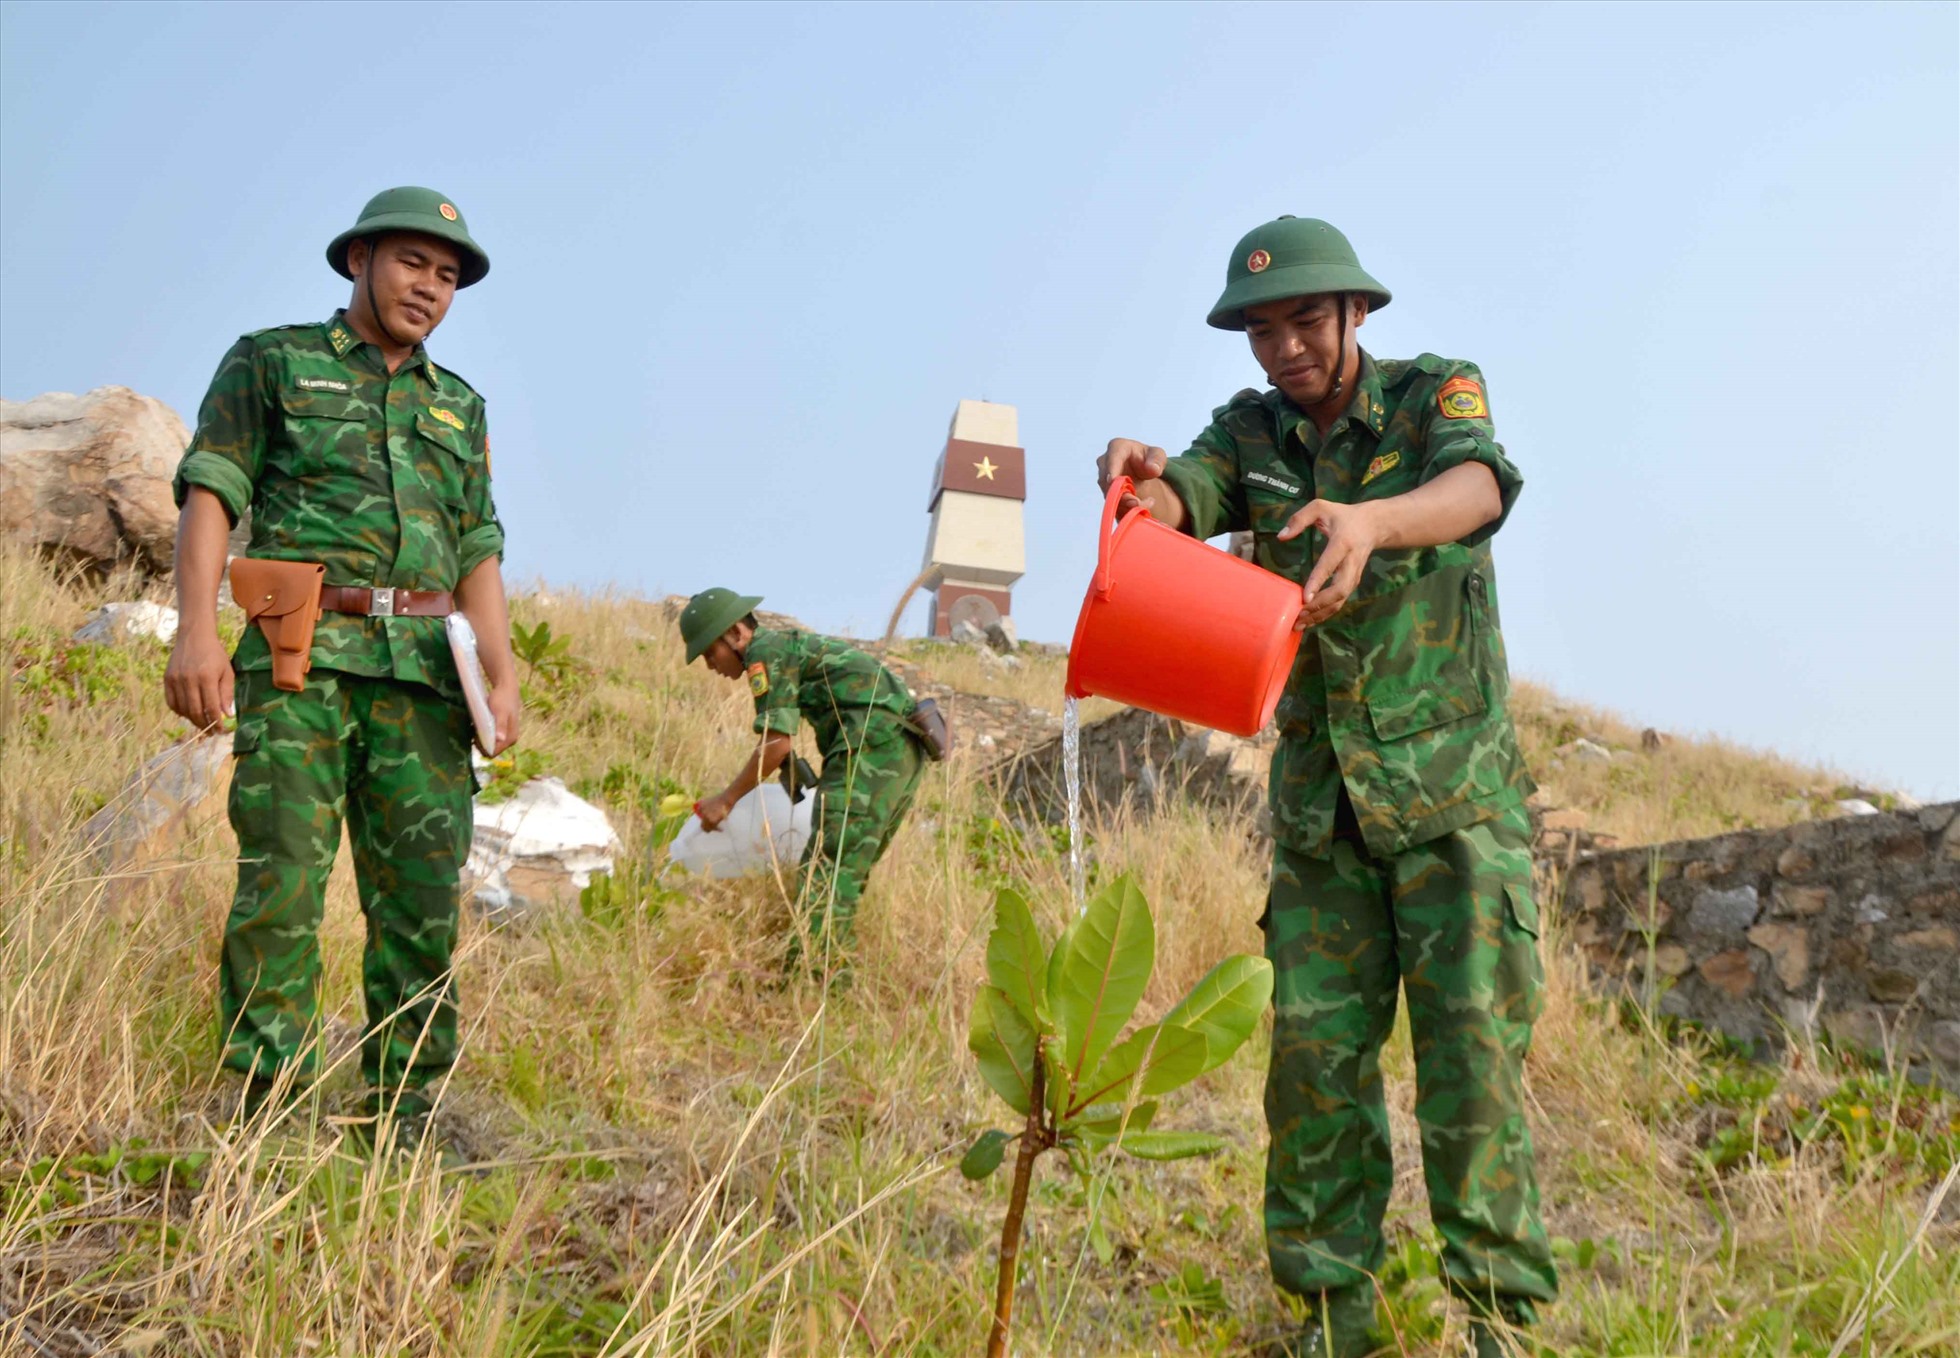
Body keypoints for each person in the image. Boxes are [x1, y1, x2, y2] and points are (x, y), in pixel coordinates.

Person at [1096, 217, 1555, 1357]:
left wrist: (1372, 519)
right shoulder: (1248, 431)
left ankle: (1499, 1323)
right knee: (1310, 1074)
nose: (1286, 347)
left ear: (1355, 313)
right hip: (1322, 819)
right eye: (1262, 329)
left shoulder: (1432, 394)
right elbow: (1192, 492)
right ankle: (1330, 1319)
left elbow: (1477, 489)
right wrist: (1145, 493)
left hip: (1453, 805)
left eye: (1306, 319)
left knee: (1473, 1068)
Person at [164, 186, 520, 1143]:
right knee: (280, 886)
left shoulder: (460, 407)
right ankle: (264, 1114)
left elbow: (476, 544)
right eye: (413, 263)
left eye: (448, 277)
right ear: (359, 259)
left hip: (425, 682)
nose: (430, 288)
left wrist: (503, 670)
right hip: (301, 663)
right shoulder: (272, 361)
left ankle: (405, 1120)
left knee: (420, 906)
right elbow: (213, 490)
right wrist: (193, 629)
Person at [679, 588, 927, 972]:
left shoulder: (765, 652)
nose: (711, 664)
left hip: (869, 746)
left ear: (735, 634)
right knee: (845, 873)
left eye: (711, 652)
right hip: (901, 748)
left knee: (824, 873)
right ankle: (831, 980)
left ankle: (812, 984)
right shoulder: (785, 647)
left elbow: (775, 743)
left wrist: (725, 800)